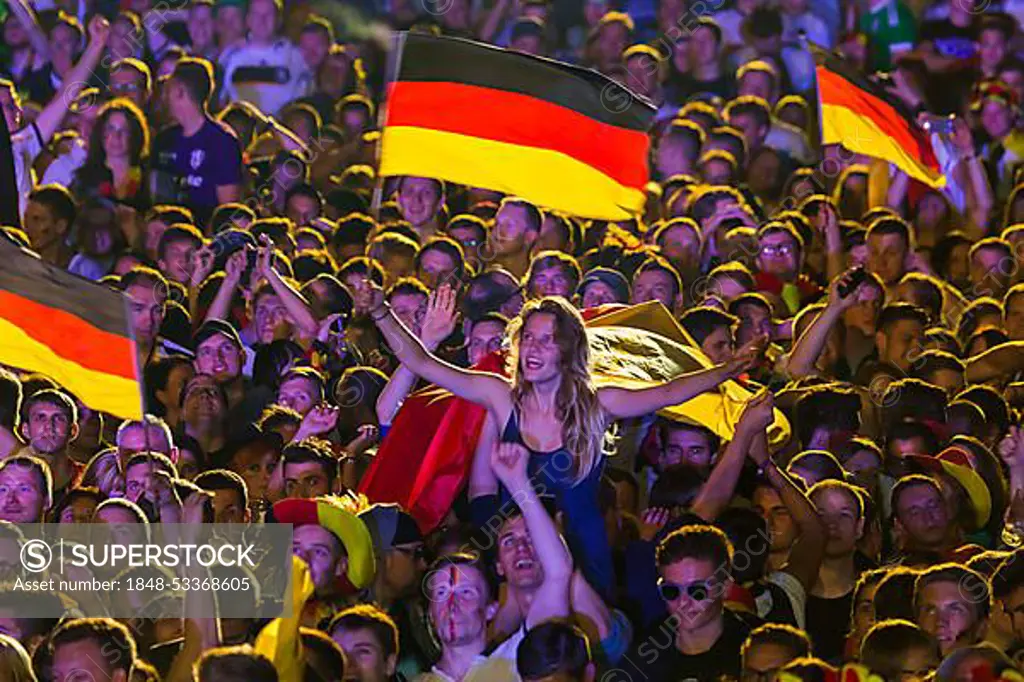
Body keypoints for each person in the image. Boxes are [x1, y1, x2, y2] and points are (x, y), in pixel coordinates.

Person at [360, 281, 763, 596]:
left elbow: (671, 391)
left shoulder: (598, 403)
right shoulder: (501, 397)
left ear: (569, 349)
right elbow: (422, 363)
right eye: (528, 338)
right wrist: (380, 312)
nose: (533, 349)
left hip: (583, 559)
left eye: (547, 339)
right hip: (516, 558)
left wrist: (726, 370)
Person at [151, 57, 242, 225]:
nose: (164, 96)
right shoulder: (164, 140)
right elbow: (158, 200)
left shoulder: (221, 141)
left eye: (168, 89)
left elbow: (227, 208)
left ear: (180, 91)